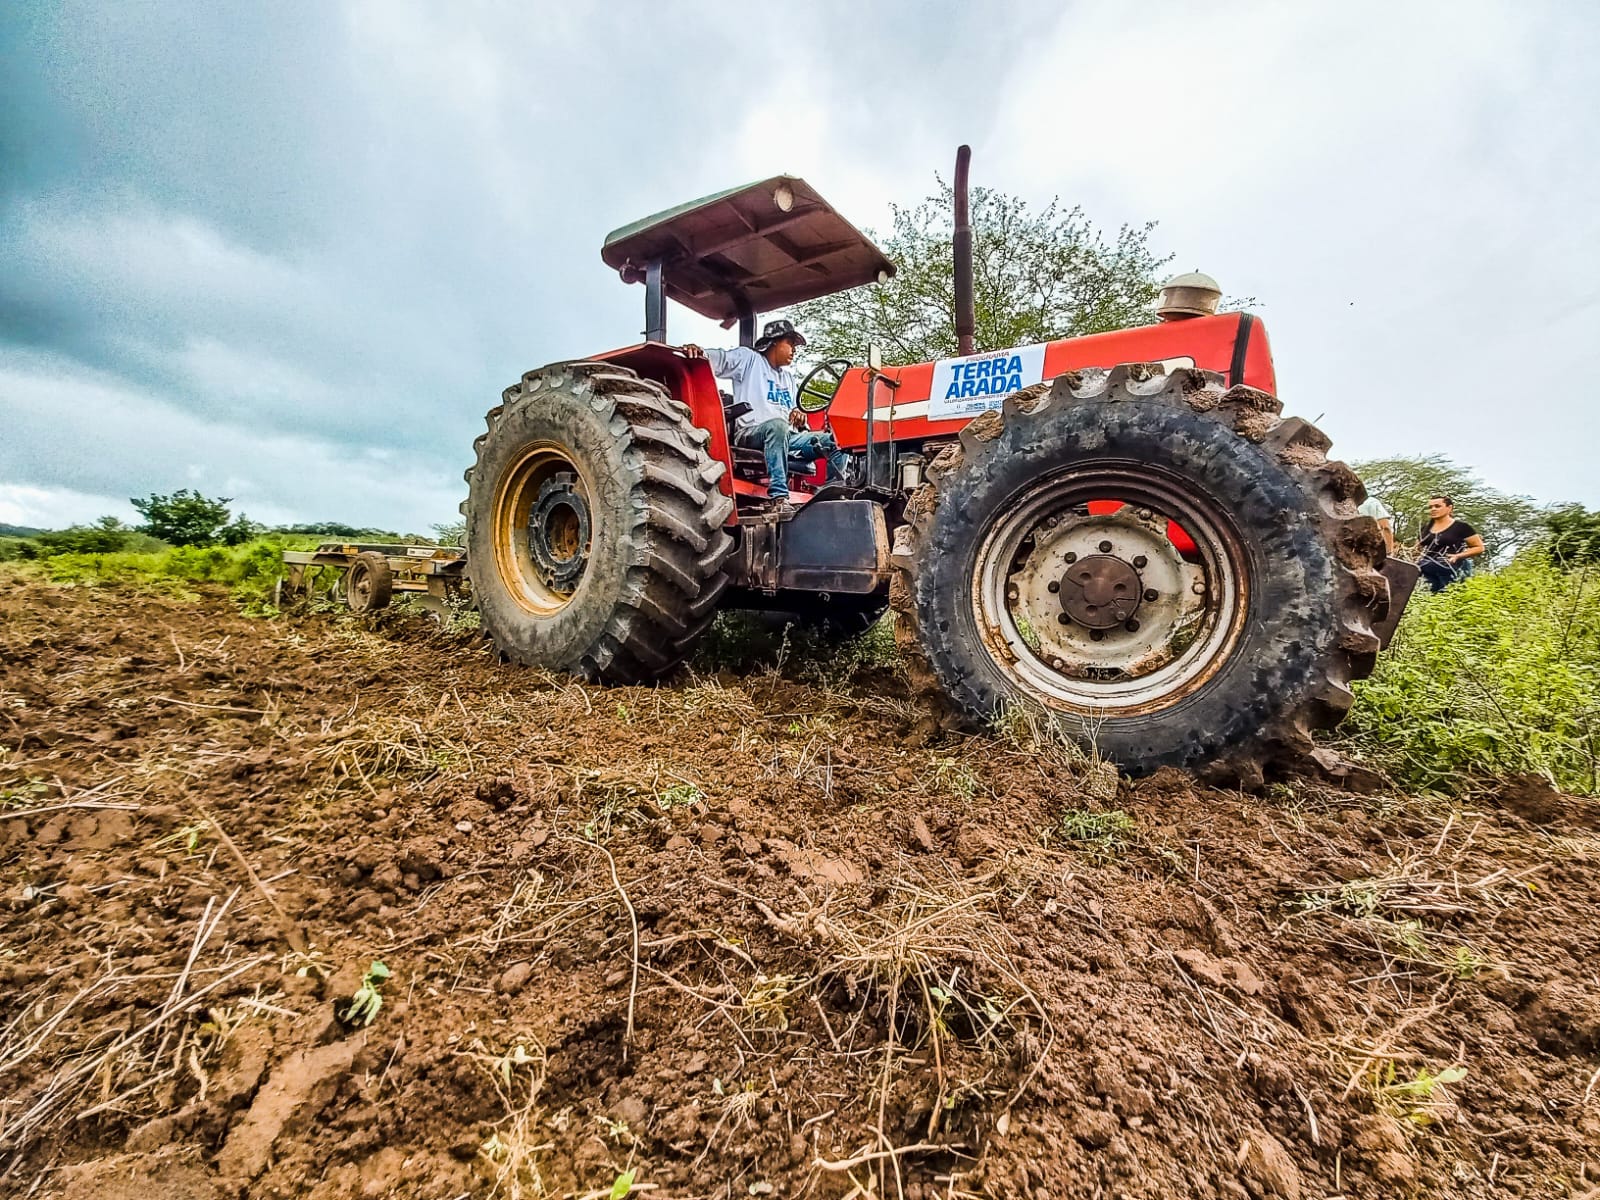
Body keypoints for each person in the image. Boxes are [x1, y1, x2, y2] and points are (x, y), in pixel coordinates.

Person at [682, 320, 849, 516]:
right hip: (751, 434)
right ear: (774, 342)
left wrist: (799, 415)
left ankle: (830, 493)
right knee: (778, 427)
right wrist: (699, 351)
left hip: (787, 436)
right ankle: (779, 497)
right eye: (790, 343)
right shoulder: (749, 360)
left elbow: (795, 412)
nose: (794, 350)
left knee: (837, 439)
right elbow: (721, 359)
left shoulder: (788, 378)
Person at [1416, 494, 1485, 592]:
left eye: (1437, 506)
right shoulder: (1425, 529)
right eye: (1430, 507)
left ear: (1449, 508)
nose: (1433, 509)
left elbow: (1479, 547)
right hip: (1427, 571)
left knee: (1449, 597)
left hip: (1451, 570)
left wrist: (1458, 556)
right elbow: (1417, 549)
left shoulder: (1461, 527)